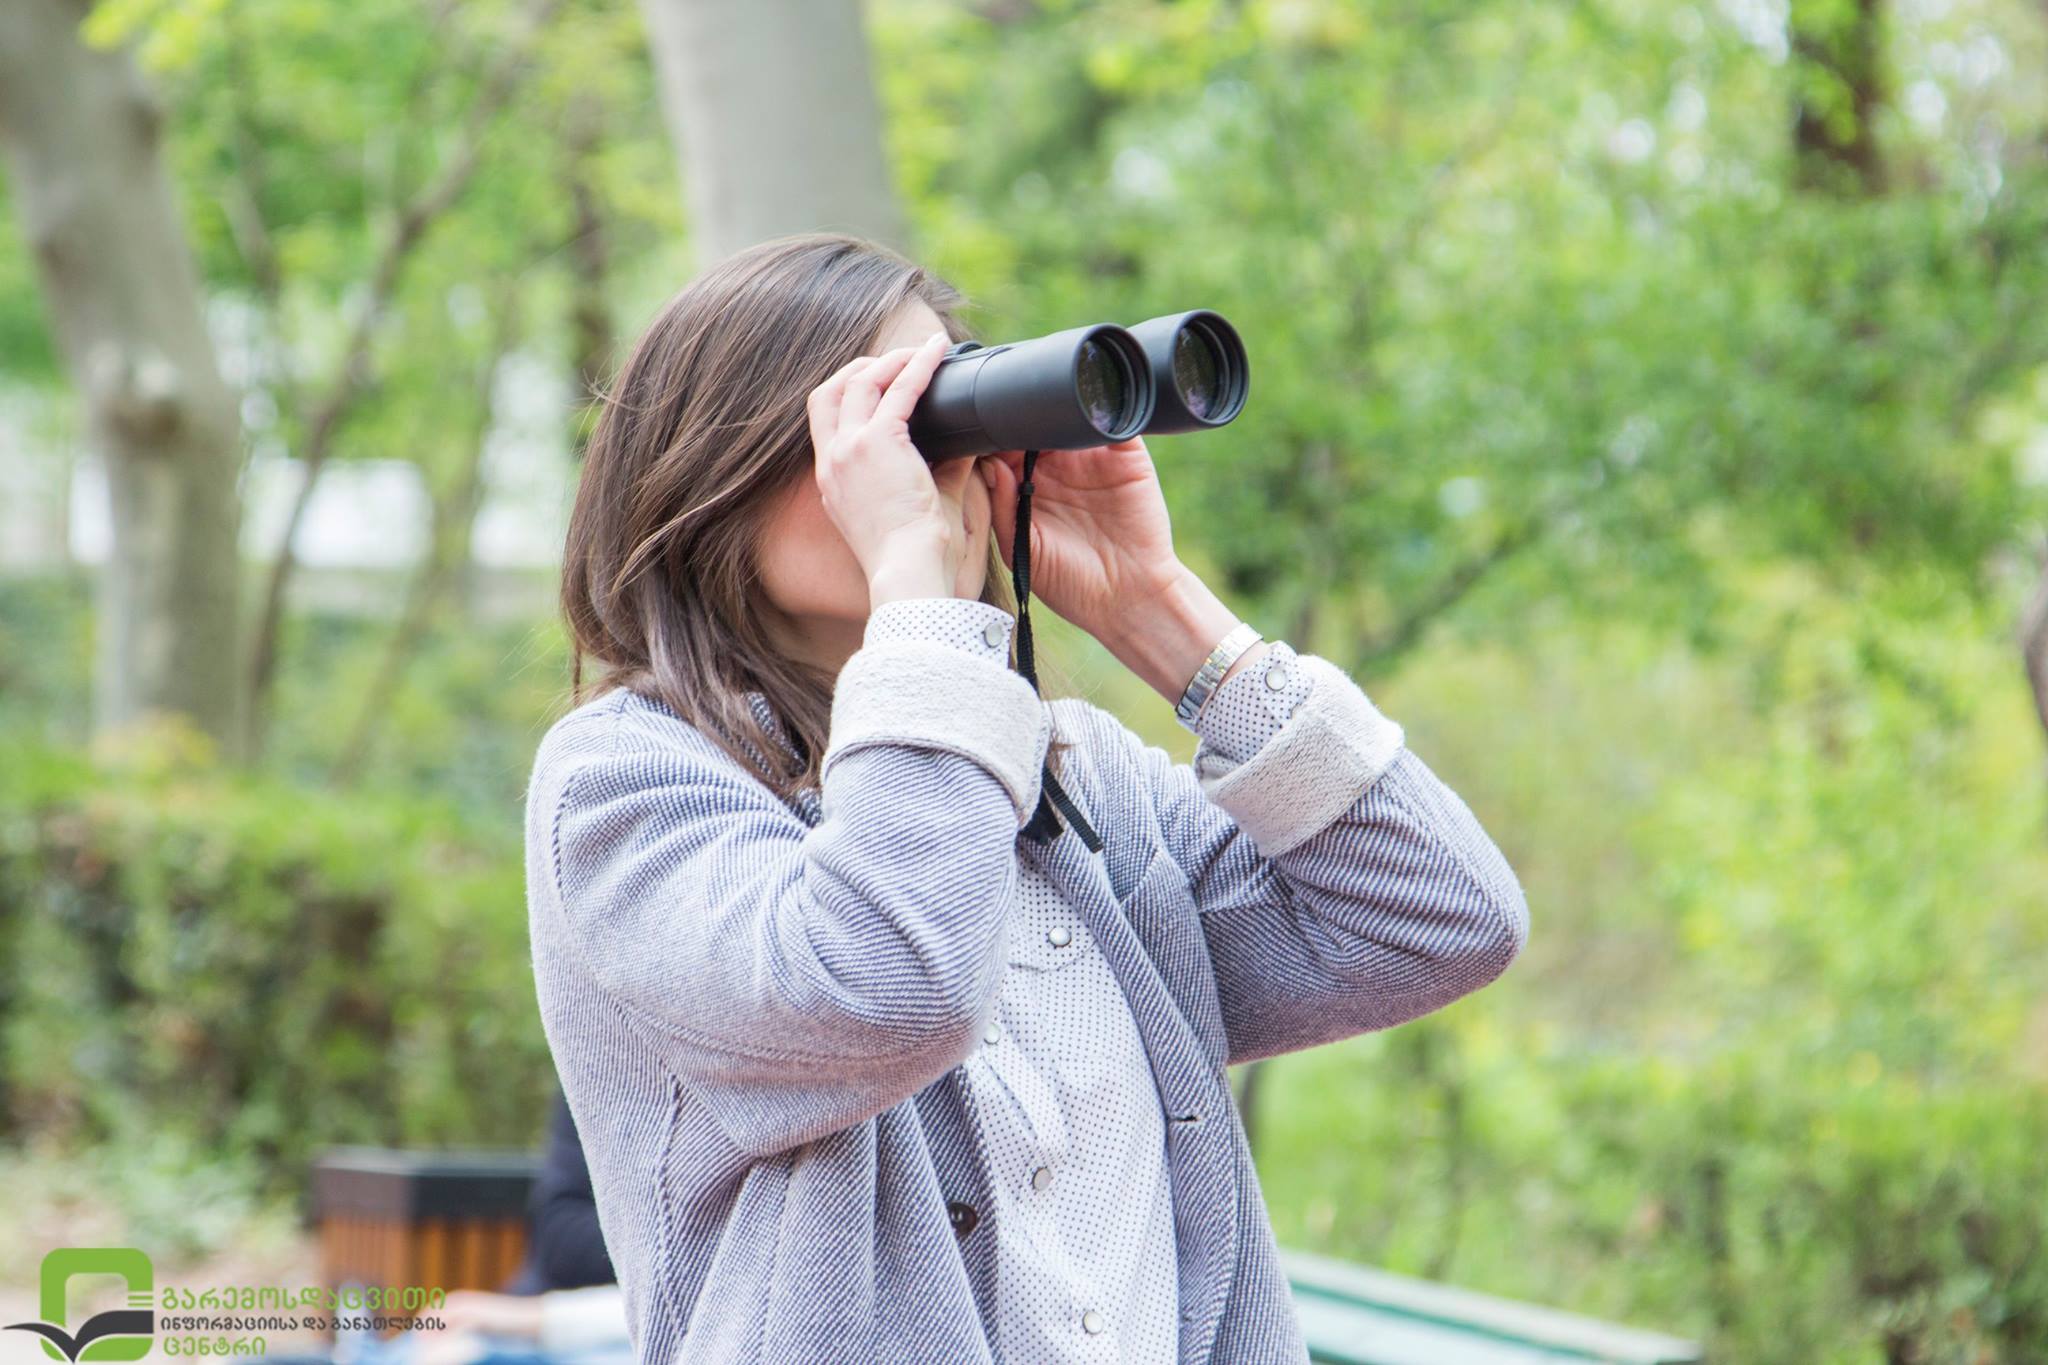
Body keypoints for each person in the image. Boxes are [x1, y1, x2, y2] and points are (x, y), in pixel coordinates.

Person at [524, 231, 1530, 1363]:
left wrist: (1159, 610)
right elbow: (889, 987)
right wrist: (920, 605)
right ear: (715, 467)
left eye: (946, 422)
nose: (927, 475)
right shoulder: (627, 783)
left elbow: (1439, 919)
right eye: (881, 429)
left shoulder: (1076, 785)